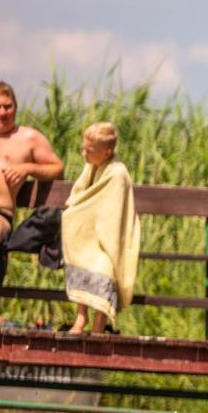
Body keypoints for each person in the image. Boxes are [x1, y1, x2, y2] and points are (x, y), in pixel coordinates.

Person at [62, 122, 140, 334]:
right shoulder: (92, 167)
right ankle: (81, 316)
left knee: (104, 266)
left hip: (108, 237)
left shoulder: (117, 173)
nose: (83, 153)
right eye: (83, 148)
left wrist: (83, 212)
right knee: (81, 255)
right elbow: (81, 195)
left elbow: (109, 208)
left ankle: (99, 322)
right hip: (89, 236)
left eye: (89, 150)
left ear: (107, 152)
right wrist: (74, 209)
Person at [0, 81, 65, 248]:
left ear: (16, 107)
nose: (3, 113)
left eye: (8, 106)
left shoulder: (28, 138)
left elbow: (57, 169)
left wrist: (27, 168)